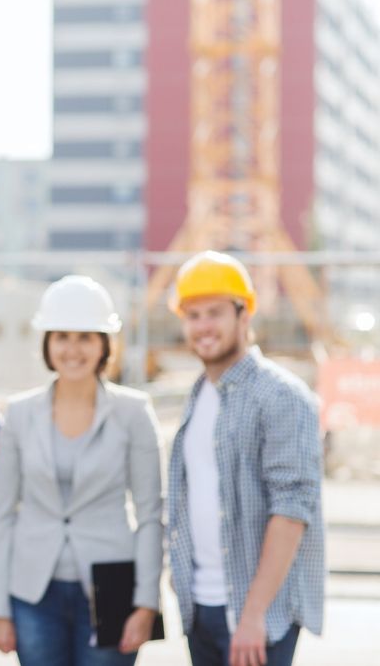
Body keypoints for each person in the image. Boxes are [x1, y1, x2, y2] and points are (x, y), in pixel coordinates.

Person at [0, 275, 163, 666]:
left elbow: (151, 515)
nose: (73, 349)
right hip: (34, 592)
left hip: (114, 587)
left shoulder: (134, 413)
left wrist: (147, 603)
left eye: (86, 337)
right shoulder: (19, 413)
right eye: (61, 336)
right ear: (47, 344)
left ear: (104, 345)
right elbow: (2, 514)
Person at [166, 251, 324, 666]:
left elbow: (292, 510)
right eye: (193, 315)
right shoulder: (199, 395)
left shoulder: (281, 396)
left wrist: (252, 615)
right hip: (201, 609)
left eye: (214, 313)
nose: (203, 327)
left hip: (257, 616)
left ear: (244, 315)